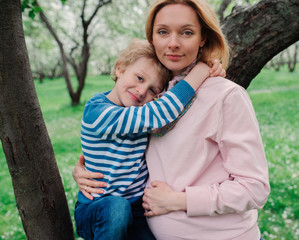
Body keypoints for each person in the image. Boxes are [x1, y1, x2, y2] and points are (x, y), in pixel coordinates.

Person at [73, 0, 270, 239]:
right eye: (163, 32)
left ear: (203, 38)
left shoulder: (226, 96)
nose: (173, 44)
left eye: (187, 32)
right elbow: (121, 141)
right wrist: (85, 169)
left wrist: (180, 201)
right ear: (152, 38)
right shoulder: (152, 96)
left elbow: (254, 188)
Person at [74, 39, 214, 240]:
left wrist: (213, 67)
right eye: (139, 78)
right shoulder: (96, 111)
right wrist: (201, 69)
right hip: (96, 208)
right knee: (116, 207)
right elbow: (162, 111)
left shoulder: (141, 115)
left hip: (136, 209)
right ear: (120, 68)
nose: (141, 91)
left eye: (152, 90)